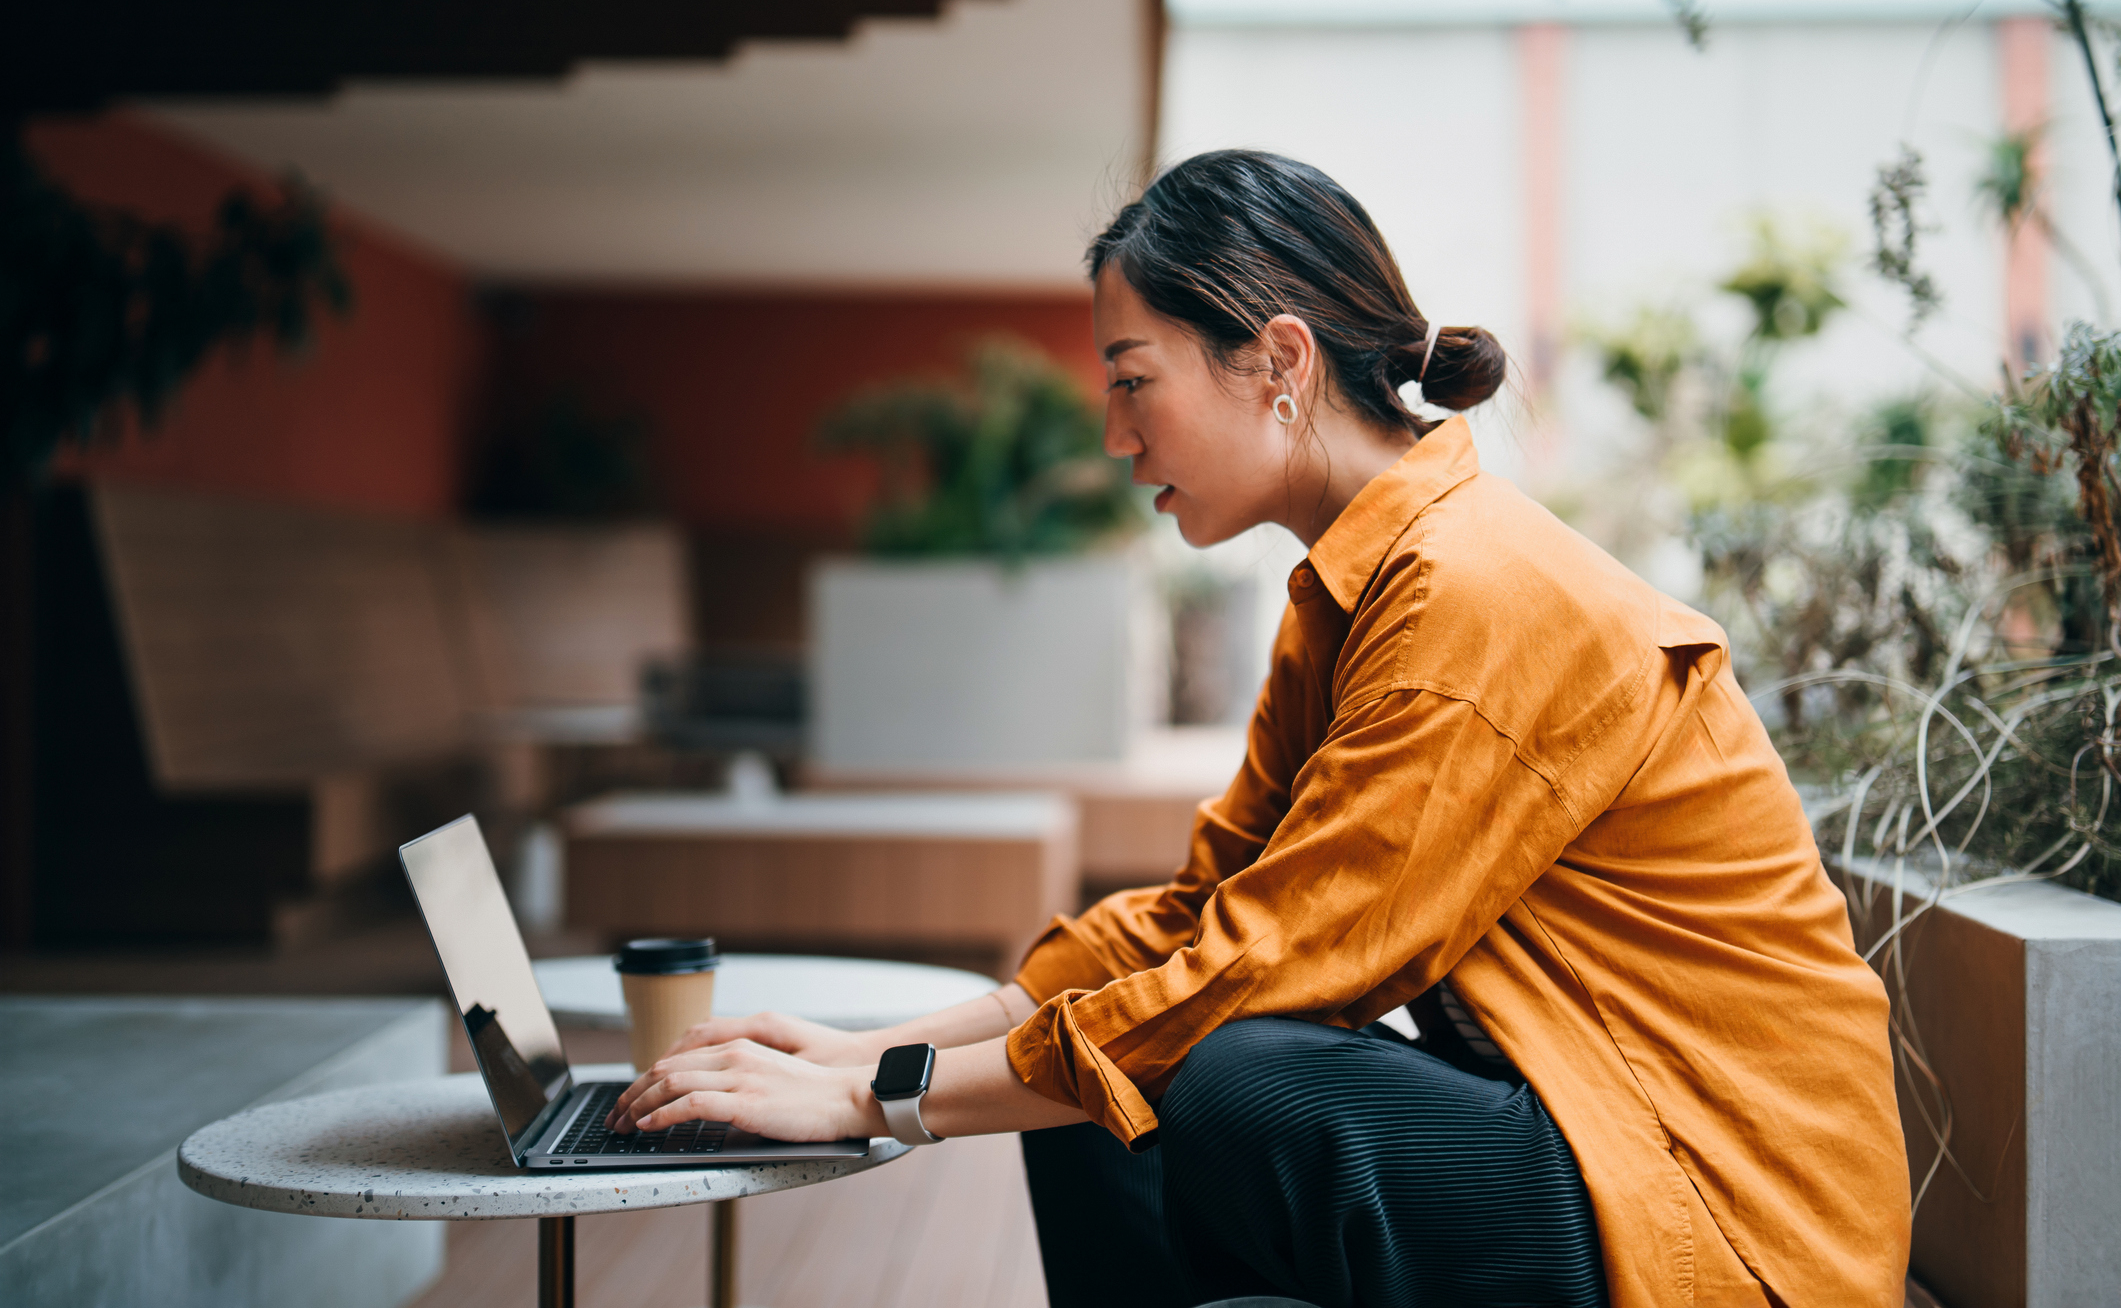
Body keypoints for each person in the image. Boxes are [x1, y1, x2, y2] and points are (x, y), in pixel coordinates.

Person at [607, 150, 1911, 1308]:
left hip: (1724, 1224)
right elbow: (1198, 913)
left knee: (1222, 1073)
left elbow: (1269, 971)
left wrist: (875, 1099)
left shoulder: (1474, 588)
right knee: (1098, 1077)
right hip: (1590, 1136)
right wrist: (876, 1048)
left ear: (1278, 362)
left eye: (1134, 380)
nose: (1114, 434)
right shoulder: (1352, 589)